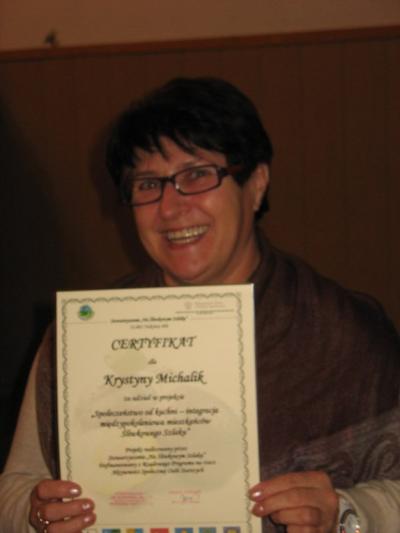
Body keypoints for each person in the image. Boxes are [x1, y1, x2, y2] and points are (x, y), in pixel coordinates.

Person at [1, 76, 400, 533]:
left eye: (197, 175)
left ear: (256, 184)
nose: (171, 208)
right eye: (147, 184)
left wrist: (347, 512)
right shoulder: (86, 334)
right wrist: (36, 514)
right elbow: (14, 488)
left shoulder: (344, 333)